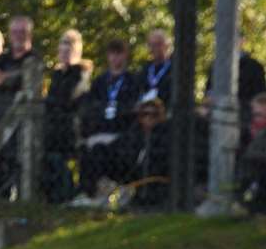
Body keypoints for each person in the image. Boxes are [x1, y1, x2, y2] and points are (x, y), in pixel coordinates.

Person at [76, 39, 140, 198]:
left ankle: (107, 190)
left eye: (119, 54)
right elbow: (92, 107)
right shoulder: (100, 81)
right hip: (100, 130)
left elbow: (132, 108)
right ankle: (88, 193)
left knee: (101, 151)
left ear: (125, 56)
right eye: (112, 54)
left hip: (121, 132)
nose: (115, 58)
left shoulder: (133, 80)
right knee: (86, 150)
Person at [44, 30, 91, 202]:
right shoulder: (57, 75)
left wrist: (53, 103)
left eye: (68, 50)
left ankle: (67, 193)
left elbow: (69, 100)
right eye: (62, 50)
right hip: (53, 125)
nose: (64, 54)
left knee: (57, 155)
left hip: (70, 127)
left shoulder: (80, 73)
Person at [0, 15, 37, 125]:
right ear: (10, 35)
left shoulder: (34, 58)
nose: (18, 35)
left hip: (22, 121)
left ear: (30, 34)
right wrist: (15, 76)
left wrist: (2, 77)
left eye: (22, 31)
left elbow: (29, 80)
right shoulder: (2, 58)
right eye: (15, 32)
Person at [117, 96, 172, 208]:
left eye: (154, 115)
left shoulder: (166, 134)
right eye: (145, 114)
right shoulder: (134, 134)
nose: (149, 118)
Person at [137, 28, 174, 109]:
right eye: (152, 45)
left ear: (167, 45)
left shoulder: (174, 69)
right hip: (145, 112)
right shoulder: (145, 70)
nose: (155, 48)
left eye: (158, 44)